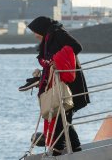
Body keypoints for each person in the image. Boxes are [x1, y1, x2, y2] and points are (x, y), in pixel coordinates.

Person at [27, 16, 90, 156]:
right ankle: (75, 149)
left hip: (69, 82)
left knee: (62, 116)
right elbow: (48, 60)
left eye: (35, 32)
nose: (35, 35)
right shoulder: (48, 39)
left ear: (41, 29)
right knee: (63, 116)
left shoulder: (58, 34)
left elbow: (77, 47)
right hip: (58, 83)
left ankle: (58, 150)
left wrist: (58, 62)